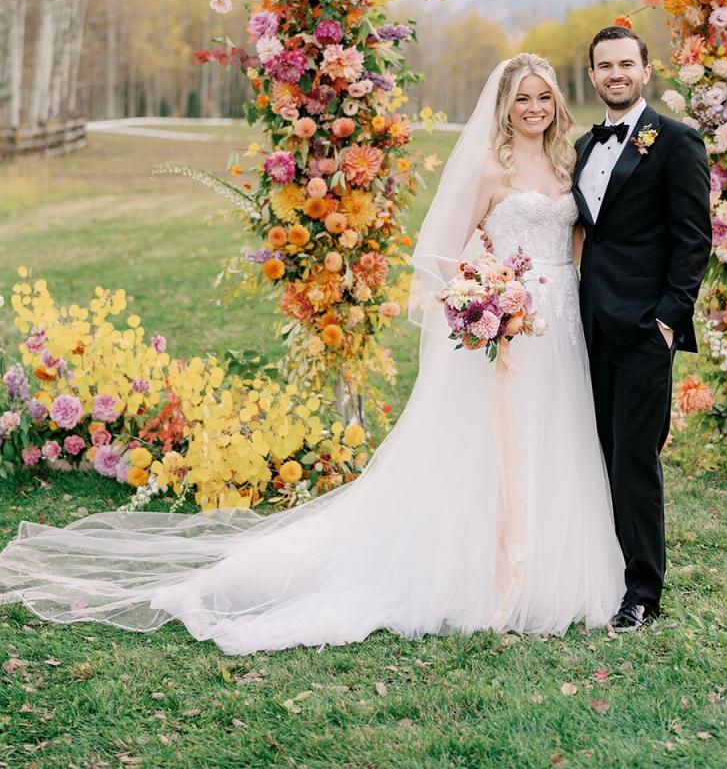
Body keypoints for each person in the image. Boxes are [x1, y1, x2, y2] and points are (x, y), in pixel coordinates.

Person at [0, 54, 624, 653]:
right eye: (524, 98)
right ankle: (485, 569)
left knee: (556, 434)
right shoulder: (492, 167)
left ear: (558, 104)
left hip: (561, 321)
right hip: (507, 325)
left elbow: (573, 240)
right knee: (494, 444)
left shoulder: (569, 163)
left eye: (545, 97)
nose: (535, 108)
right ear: (505, 106)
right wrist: (487, 294)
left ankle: (551, 562)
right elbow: (443, 255)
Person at [574, 26, 712, 631]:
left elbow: (694, 240)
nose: (615, 75)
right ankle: (600, 570)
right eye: (604, 66)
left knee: (634, 459)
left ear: (646, 70)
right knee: (594, 454)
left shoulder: (677, 142)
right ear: (593, 75)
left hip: (643, 330)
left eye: (625, 64)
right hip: (585, 328)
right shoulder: (582, 145)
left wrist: (667, 320)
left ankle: (642, 593)